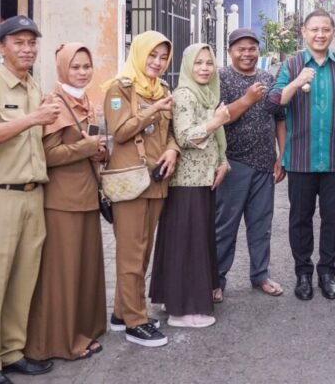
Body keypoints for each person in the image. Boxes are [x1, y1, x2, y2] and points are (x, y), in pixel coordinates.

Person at [0, 16, 58, 383]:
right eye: (19, 42)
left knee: (22, 280)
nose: (27, 48)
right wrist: (33, 118)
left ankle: (12, 352)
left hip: (32, 195)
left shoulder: (35, 87)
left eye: (32, 42)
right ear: (1, 47)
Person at [267, 9, 335, 301]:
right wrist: (296, 81)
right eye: (314, 30)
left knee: (333, 218)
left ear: (334, 32)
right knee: (300, 218)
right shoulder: (292, 64)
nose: (320, 34)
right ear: (304, 33)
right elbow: (274, 101)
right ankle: (303, 274)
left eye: (326, 29)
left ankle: (327, 273)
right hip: (300, 158)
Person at [25, 44, 107, 361]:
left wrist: (98, 151)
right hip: (62, 201)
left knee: (84, 271)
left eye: (87, 66)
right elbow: (47, 155)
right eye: (75, 67)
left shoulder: (84, 100)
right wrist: (86, 149)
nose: (83, 72)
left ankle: (83, 330)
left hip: (86, 196)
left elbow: (88, 145)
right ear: (62, 68)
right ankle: (60, 341)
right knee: (64, 274)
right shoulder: (54, 103)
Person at [102, 31, 179, 347]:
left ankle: (122, 313)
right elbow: (120, 132)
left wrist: (173, 150)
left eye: (163, 57)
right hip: (130, 181)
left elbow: (172, 132)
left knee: (143, 251)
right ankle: (136, 321)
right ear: (138, 54)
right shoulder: (119, 88)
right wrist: (152, 109)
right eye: (152, 56)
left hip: (156, 181)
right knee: (131, 253)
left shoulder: (164, 89)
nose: (157, 63)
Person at [150, 43, 230, 327]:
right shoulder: (185, 95)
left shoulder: (208, 94)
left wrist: (222, 161)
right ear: (187, 66)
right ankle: (183, 311)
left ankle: (176, 297)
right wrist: (214, 122)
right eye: (198, 63)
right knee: (188, 244)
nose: (205, 68)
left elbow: (216, 137)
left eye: (209, 63)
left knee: (192, 241)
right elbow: (183, 136)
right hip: (185, 181)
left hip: (202, 179)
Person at [215, 28, 286, 301]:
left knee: (261, 224)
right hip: (233, 163)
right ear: (230, 51)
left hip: (264, 164)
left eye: (252, 48)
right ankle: (217, 279)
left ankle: (261, 275)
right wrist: (247, 99)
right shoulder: (221, 78)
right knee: (225, 225)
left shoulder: (268, 78)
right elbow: (219, 118)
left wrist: (282, 155)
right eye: (240, 49)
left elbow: (279, 118)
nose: (247, 54)